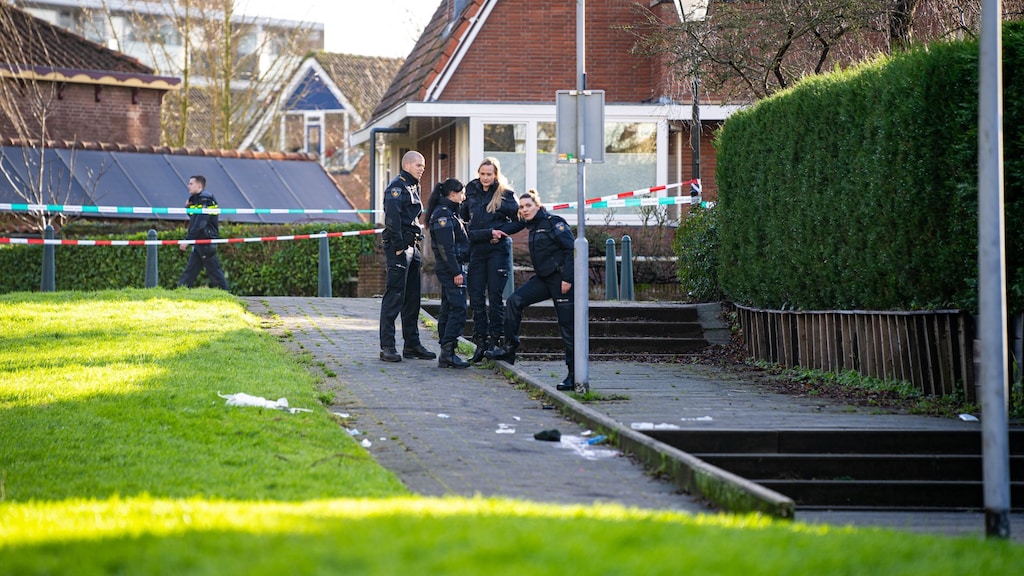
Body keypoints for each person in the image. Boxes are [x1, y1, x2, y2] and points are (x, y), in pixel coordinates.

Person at [486, 190, 577, 391]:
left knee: (567, 327)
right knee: (514, 301)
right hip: (543, 279)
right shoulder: (532, 225)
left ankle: (574, 375)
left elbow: (571, 249)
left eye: (528, 206)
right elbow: (511, 226)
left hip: (561, 280)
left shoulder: (554, 222)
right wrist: (494, 233)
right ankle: (509, 350)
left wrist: (568, 278)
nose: (525, 210)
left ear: (538, 205)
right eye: (522, 207)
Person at [460, 157, 525, 362]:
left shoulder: (504, 194)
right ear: (478, 173)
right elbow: (463, 215)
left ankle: (495, 342)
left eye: (489, 174)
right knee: (477, 298)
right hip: (477, 249)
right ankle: (480, 343)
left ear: (495, 174)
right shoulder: (470, 190)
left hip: (497, 251)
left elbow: (520, 220)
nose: (485, 178)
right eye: (482, 174)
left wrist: (501, 232)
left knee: (495, 298)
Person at [379, 150, 436, 363]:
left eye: (423, 165)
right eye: (419, 165)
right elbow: (392, 219)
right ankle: (387, 347)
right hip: (400, 249)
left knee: (412, 299)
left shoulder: (413, 185)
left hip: (413, 247)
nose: (422, 168)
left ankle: (412, 345)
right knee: (394, 297)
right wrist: (399, 247)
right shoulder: (396, 187)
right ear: (407, 165)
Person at [426, 178, 471, 368]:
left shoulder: (449, 213)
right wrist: (456, 271)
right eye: (461, 193)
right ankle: (448, 351)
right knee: (458, 308)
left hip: (452, 267)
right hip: (451, 268)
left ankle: (447, 350)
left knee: (448, 307)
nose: (464, 196)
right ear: (453, 194)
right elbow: (446, 247)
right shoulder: (443, 215)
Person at [177, 174, 228, 290]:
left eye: (191, 184)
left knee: (214, 272)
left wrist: (187, 240)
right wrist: (187, 208)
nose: (188, 186)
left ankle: (226, 295)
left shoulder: (205, 199)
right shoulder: (197, 199)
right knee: (190, 271)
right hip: (200, 240)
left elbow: (200, 223)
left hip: (205, 240)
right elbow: (194, 217)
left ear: (199, 185)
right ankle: (180, 292)